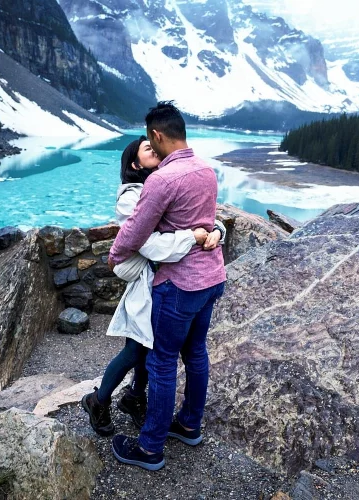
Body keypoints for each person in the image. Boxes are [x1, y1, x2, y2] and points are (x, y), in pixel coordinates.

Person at [108, 102, 227, 471]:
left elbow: (136, 230)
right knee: (195, 354)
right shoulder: (206, 169)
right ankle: (189, 425)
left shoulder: (161, 179)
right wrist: (217, 232)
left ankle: (150, 448)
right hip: (211, 278)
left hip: (178, 283)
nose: (149, 146)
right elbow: (208, 221)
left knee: (161, 363)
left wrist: (115, 254)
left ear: (157, 135)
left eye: (149, 139)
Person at [81, 136, 225, 436]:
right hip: (148, 281)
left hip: (169, 278)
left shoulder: (167, 182)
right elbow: (149, 244)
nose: (156, 150)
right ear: (135, 164)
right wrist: (194, 237)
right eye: (148, 149)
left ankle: (135, 396)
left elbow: (199, 216)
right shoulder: (130, 197)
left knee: (152, 346)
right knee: (136, 349)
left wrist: (218, 230)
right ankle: (98, 399)